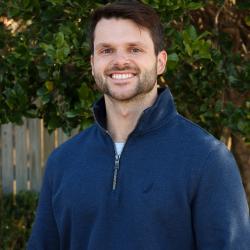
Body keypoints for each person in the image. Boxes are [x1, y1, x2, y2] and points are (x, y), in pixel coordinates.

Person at [27, 0, 250, 249]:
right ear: (92, 64)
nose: (120, 61)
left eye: (135, 49)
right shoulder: (63, 162)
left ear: (160, 61)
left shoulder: (207, 160)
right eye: (106, 50)